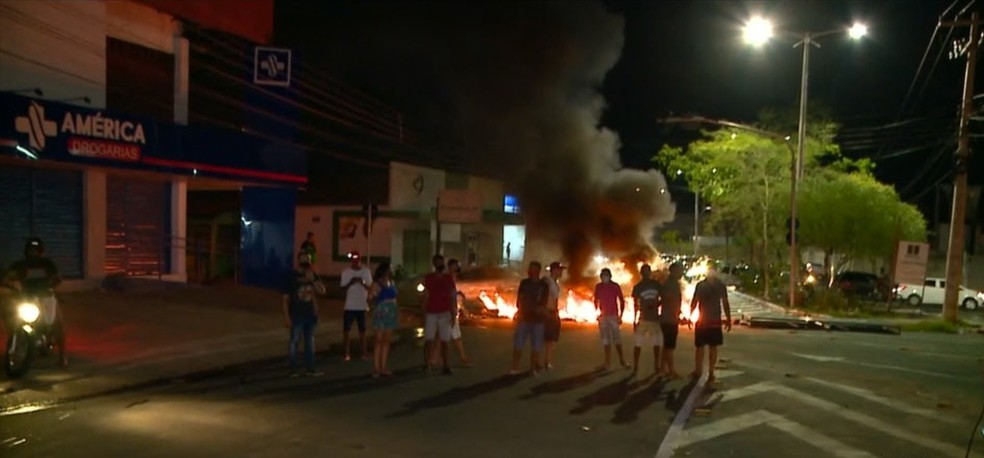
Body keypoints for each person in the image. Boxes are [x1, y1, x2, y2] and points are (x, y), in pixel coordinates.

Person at [5, 237, 67, 366]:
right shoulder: (20, 265)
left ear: (41, 251)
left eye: (36, 250)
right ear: (26, 251)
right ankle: (16, 345)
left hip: (45, 297)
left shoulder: (47, 264)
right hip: (26, 298)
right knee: (12, 317)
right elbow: (8, 276)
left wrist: (52, 285)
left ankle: (62, 356)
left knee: (57, 323)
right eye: (31, 250)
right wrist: (10, 283)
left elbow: (57, 277)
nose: (33, 252)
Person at [281, 252, 327, 377]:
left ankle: (310, 367)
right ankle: (293, 369)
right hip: (296, 313)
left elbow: (322, 290)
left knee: (310, 341)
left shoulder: (313, 276)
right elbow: (285, 298)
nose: (306, 262)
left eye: (308, 260)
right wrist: (286, 316)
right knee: (294, 341)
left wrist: (313, 279)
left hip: (310, 313)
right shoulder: (292, 276)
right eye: (304, 259)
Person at [690, 265, 732, 384]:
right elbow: (725, 303)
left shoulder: (700, 285)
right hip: (714, 322)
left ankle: (698, 371)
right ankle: (711, 373)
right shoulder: (720, 286)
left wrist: (690, 315)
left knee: (700, 347)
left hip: (702, 321)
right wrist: (728, 319)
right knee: (712, 348)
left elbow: (694, 302)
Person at [510, 261, 548, 375]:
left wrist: (540, 309)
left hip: (538, 320)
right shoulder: (524, 283)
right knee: (518, 344)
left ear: (538, 271)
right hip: (524, 318)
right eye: (530, 269)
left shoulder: (543, 285)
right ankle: (515, 367)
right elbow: (520, 298)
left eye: (533, 269)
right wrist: (520, 311)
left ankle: (532, 368)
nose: (531, 271)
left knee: (536, 346)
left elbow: (544, 302)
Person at [422, 254, 455, 375]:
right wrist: (423, 312)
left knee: (445, 340)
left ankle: (446, 365)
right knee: (429, 340)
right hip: (432, 312)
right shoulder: (429, 278)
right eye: (438, 263)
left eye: (441, 262)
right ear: (434, 264)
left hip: (444, 312)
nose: (440, 265)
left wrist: (453, 312)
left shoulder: (448, 278)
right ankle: (427, 364)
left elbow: (452, 296)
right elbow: (426, 295)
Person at [593, 267, 629, 370]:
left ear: (610, 276)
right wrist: (597, 313)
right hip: (603, 317)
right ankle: (607, 362)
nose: (603, 278)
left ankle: (622, 360)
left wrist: (620, 316)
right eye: (602, 276)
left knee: (617, 339)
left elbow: (621, 301)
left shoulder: (615, 286)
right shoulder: (598, 287)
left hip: (613, 316)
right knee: (606, 340)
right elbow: (596, 300)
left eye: (605, 275)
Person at [340, 251, 373, 361]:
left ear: (360, 260)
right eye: (353, 260)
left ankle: (364, 352)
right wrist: (351, 282)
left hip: (362, 306)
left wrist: (362, 283)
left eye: (357, 260)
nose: (355, 262)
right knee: (346, 331)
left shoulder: (366, 271)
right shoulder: (346, 272)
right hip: (349, 306)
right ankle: (346, 353)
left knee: (362, 330)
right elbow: (342, 289)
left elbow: (371, 288)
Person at [632, 264, 662, 376]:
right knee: (638, 344)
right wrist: (635, 320)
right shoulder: (639, 287)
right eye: (644, 272)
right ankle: (636, 365)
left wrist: (656, 306)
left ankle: (656, 365)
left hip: (653, 319)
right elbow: (635, 305)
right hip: (644, 319)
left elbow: (663, 299)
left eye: (647, 271)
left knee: (656, 344)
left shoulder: (656, 285)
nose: (645, 274)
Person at [369, 262, 398, 377]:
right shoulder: (377, 284)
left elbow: (395, 297)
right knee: (379, 340)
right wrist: (373, 295)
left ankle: (383, 366)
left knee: (386, 341)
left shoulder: (392, 283)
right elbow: (370, 298)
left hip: (391, 311)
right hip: (381, 311)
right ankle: (376, 367)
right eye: (389, 270)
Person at [659, 262, 685, 379]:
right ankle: (671, 371)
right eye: (680, 271)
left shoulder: (671, 284)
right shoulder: (671, 285)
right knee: (670, 345)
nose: (681, 273)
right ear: (673, 271)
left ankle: (662, 367)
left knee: (666, 344)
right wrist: (675, 314)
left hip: (667, 317)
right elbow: (669, 300)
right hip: (669, 319)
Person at [447, 259, 471, 367]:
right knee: (454, 336)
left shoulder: (452, 279)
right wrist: (453, 312)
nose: (457, 269)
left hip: (450, 311)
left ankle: (433, 359)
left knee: (445, 336)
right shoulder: (448, 279)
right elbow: (450, 295)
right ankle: (463, 359)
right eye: (455, 267)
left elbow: (453, 293)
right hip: (449, 311)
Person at [543, 261, 565, 370]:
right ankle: (539, 362)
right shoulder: (547, 282)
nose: (561, 272)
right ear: (554, 270)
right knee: (545, 338)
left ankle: (547, 361)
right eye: (559, 269)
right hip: (547, 313)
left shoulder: (555, 284)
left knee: (551, 339)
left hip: (553, 313)